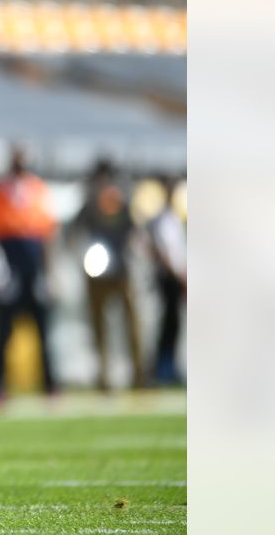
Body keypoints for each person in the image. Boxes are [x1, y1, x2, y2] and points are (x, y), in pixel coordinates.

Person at [0, 144, 58, 396]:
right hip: (9, 264)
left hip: (32, 265)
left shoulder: (37, 188)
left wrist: (47, 274)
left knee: (43, 332)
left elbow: (46, 234)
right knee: (4, 330)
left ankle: (50, 385)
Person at [72, 158, 145, 391]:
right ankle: (103, 378)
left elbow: (135, 231)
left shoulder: (122, 202)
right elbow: (76, 231)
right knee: (99, 327)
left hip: (122, 270)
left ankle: (139, 376)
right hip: (96, 273)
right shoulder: (90, 204)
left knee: (131, 325)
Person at [148, 175, 186, 386]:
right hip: (169, 277)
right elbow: (165, 252)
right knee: (168, 323)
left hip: (176, 276)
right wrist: (179, 275)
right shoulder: (162, 219)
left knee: (174, 324)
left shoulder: (174, 218)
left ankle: (169, 366)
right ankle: (163, 369)